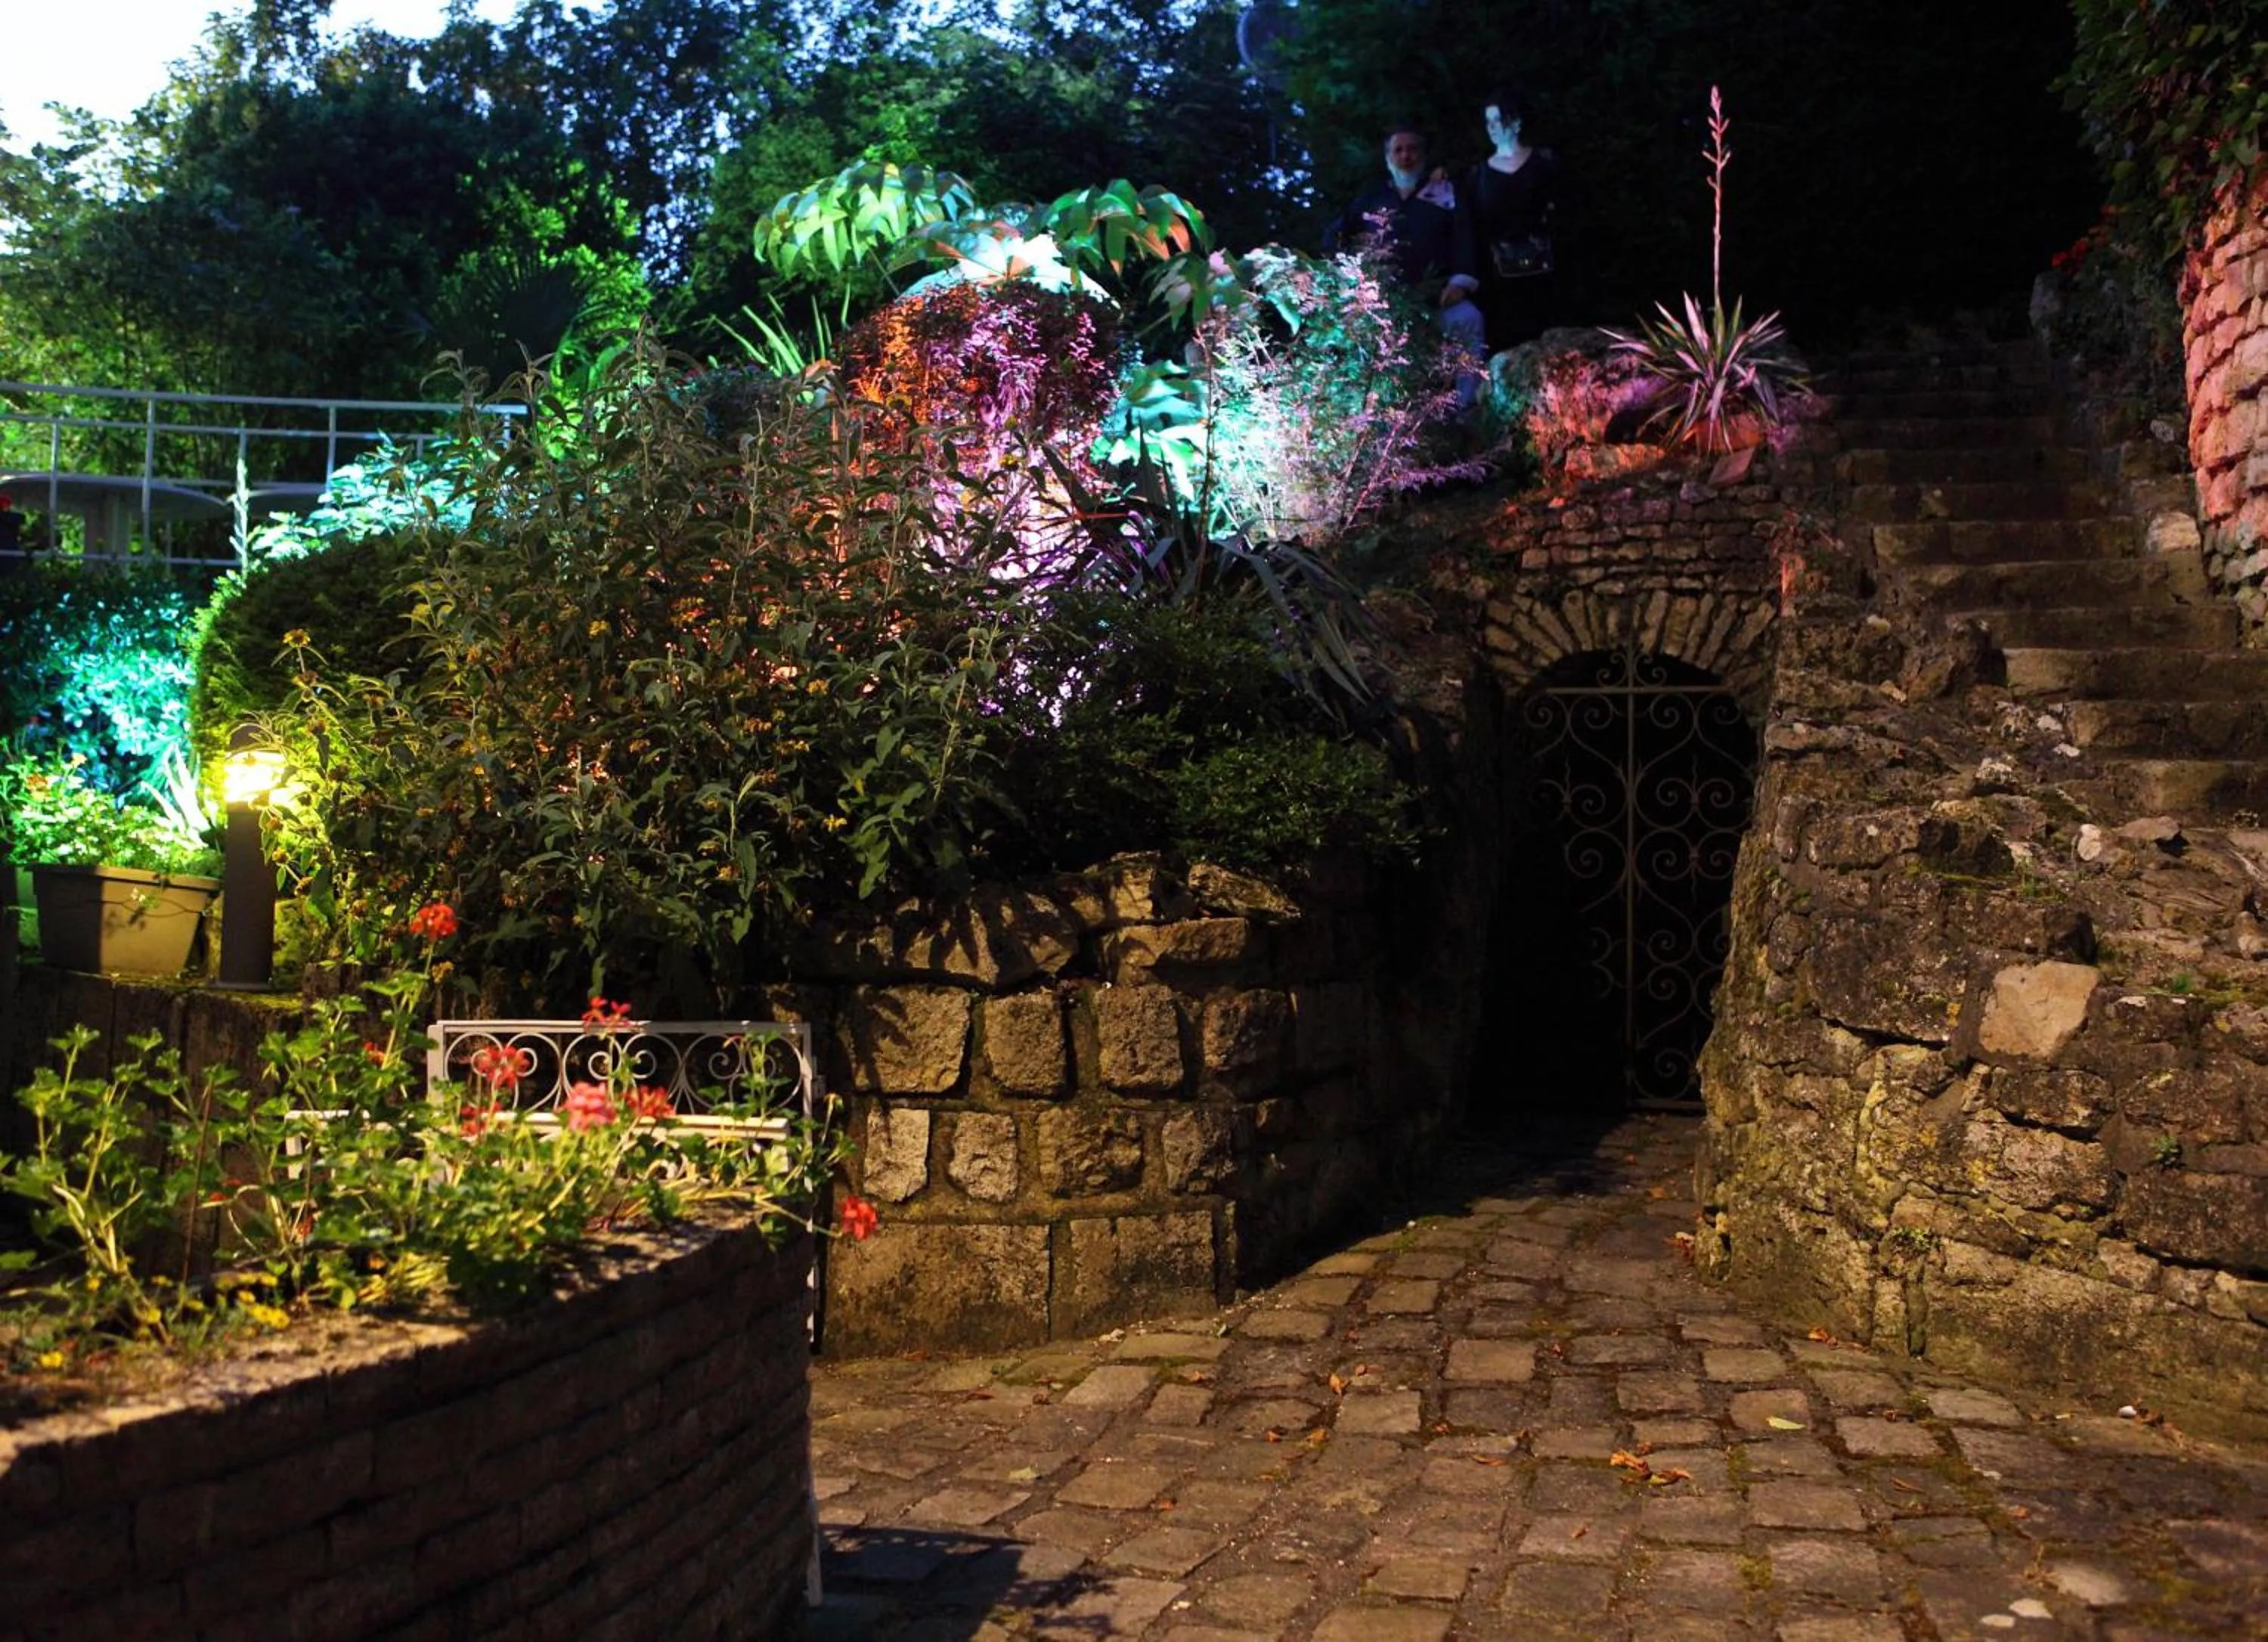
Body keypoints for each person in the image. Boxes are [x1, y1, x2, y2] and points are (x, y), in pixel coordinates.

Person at [1324, 125, 1489, 397]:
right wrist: (1350, 278)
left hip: (1438, 299)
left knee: (1469, 319)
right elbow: (1336, 235)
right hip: (1385, 306)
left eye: (1412, 149)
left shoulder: (1444, 192)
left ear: (1423, 154)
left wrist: (1461, 282)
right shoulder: (1372, 199)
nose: (1406, 155)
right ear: (1388, 158)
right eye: (1398, 150)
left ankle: (1468, 408)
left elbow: (1465, 237)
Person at [1457, 83, 1563, 352]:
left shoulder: (1545, 163)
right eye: (1488, 121)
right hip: (1501, 279)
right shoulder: (1478, 175)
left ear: (1515, 122)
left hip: (1548, 272)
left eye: (1498, 119)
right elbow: (1473, 228)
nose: (1491, 127)